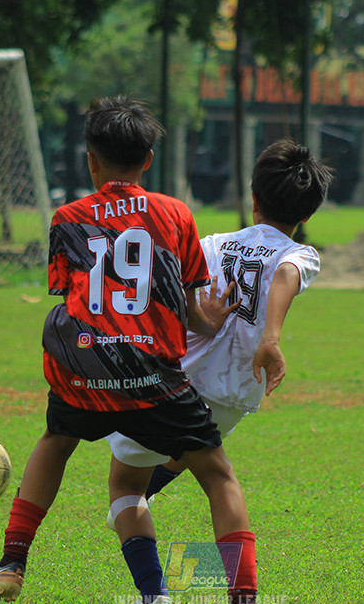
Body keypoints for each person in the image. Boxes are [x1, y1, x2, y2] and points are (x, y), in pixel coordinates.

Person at [0, 95, 294, 604]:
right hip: (153, 374)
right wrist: (209, 320)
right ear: (148, 160)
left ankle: (13, 562)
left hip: (85, 368)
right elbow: (188, 308)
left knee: (55, 442)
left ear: (90, 161)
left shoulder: (66, 218)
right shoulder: (173, 214)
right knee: (218, 477)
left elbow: (71, 293)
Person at [104, 139, 334, 542]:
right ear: (310, 211)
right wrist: (270, 338)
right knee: (195, 449)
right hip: (233, 393)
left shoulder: (212, 244)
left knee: (125, 486)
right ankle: (237, 594)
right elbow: (285, 274)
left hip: (179, 381)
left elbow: (171, 289)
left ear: (253, 198)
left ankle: (150, 579)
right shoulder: (301, 254)